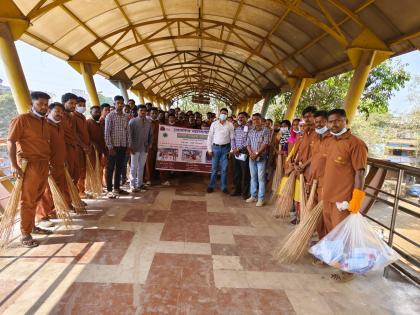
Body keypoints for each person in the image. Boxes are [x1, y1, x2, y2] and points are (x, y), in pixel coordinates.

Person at [322, 108, 368, 282]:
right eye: (331, 121)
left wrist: (356, 199)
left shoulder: (356, 144)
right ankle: (337, 261)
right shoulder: (331, 141)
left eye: (337, 121)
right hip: (327, 196)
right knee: (333, 234)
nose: (334, 124)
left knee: (344, 237)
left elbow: (360, 173)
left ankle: (348, 272)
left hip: (343, 200)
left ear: (345, 121)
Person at [8, 91, 52, 247]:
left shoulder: (45, 122)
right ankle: (25, 234)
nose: (44, 107)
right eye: (40, 104)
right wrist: (14, 164)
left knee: (37, 197)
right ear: (31, 104)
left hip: (43, 164)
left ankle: (32, 226)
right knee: (27, 200)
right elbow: (11, 141)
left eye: (46, 104)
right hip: (29, 165)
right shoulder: (21, 119)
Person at [36, 102, 71, 228]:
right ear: (49, 111)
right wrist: (47, 162)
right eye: (57, 111)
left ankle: (52, 212)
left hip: (60, 163)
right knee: (46, 191)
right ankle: (42, 217)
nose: (60, 114)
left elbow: (61, 145)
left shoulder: (59, 126)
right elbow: (42, 146)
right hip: (48, 164)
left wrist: (64, 159)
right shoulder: (44, 125)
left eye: (61, 112)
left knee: (58, 188)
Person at [307, 110, 330, 245]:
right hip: (314, 181)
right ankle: (321, 242)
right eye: (316, 122)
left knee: (325, 216)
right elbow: (314, 160)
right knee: (317, 216)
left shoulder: (333, 139)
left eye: (321, 121)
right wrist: (310, 180)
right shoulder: (316, 137)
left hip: (326, 184)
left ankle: (325, 245)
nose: (318, 124)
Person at [104, 95, 130, 198]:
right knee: (110, 168)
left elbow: (128, 132)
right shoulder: (110, 116)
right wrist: (110, 147)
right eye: (118, 103)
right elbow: (107, 133)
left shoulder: (126, 117)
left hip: (123, 146)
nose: (120, 105)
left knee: (119, 167)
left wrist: (128, 146)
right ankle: (109, 190)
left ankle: (117, 188)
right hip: (113, 147)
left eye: (121, 103)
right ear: (114, 104)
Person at [207, 108, 234, 193]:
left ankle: (224, 187)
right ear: (219, 114)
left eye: (225, 113)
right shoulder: (214, 124)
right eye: (222, 113)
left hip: (226, 149)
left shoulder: (230, 125)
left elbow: (232, 139)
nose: (223, 115)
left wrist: (232, 150)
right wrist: (209, 149)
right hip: (215, 148)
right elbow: (210, 137)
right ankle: (211, 186)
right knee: (214, 168)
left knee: (224, 169)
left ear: (227, 115)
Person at [246, 113, 270, 206]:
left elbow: (265, 143)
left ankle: (261, 199)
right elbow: (248, 143)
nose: (255, 121)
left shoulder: (265, 130)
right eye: (253, 119)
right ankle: (253, 196)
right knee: (253, 177)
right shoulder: (251, 130)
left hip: (261, 157)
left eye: (257, 119)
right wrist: (251, 153)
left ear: (261, 120)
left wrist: (256, 153)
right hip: (251, 157)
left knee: (261, 178)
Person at [128, 105, 152, 192]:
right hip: (135, 147)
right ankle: (132, 185)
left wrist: (149, 144)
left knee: (141, 166)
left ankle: (140, 184)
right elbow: (129, 135)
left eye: (144, 111)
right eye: (141, 110)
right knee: (134, 167)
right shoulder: (132, 121)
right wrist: (130, 147)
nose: (143, 112)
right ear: (137, 111)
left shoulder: (149, 122)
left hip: (144, 147)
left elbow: (150, 134)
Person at [230, 112, 250, 199]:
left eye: (242, 117)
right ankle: (237, 190)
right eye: (239, 118)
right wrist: (234, 149)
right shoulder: (236, 129)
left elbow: (247, 141)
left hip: (244, 152)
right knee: (236, 172)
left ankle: (245, 193)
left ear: (247, 118)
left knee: (245, 173)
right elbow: (232, 139)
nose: (240, 119)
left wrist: (239, 148)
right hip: (236, 153)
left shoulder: (250, 128)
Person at [61, 93, 80, 185]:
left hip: (74, 148)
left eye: (75, 104)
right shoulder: (59, 117)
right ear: (64, 103)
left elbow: (75, 133)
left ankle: (73, 196)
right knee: (65, 175)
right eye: (71, 103)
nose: (74, 106)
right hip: (64, 150)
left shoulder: (72, 116)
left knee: (75, 173)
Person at [74, 96, 91, 197]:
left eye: (84, 105)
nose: (82, 107)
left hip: (84, 148)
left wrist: (87, 145)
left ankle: (82, 191)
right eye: (80, 105)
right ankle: (78, 193)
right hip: (78, 149)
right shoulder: (73, 116)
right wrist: (83, 145)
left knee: (83, 171)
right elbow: (74, 134)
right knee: (79, 171)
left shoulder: (83, 117)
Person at [86, 106, 107, 181]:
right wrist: (93, 143)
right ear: (91, 113)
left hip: (101, 149)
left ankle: (99, 184)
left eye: (99, 112)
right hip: (92, 150)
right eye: (95, 112)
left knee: (100, 167)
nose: (98, 113)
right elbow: (86, 136)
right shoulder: (88, 122)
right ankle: (92, 187)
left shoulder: (101, 122)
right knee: (93, 167)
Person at [145, 107, 160, 186]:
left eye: (155, 113)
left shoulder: (159, 122)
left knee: (156, 162)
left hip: (158, 145)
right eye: (152, 113)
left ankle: (155, 178)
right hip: (149, 146)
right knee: (149, 163)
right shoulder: (147, 122)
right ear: (149, 114)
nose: (154, 115)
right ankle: (148, 179)